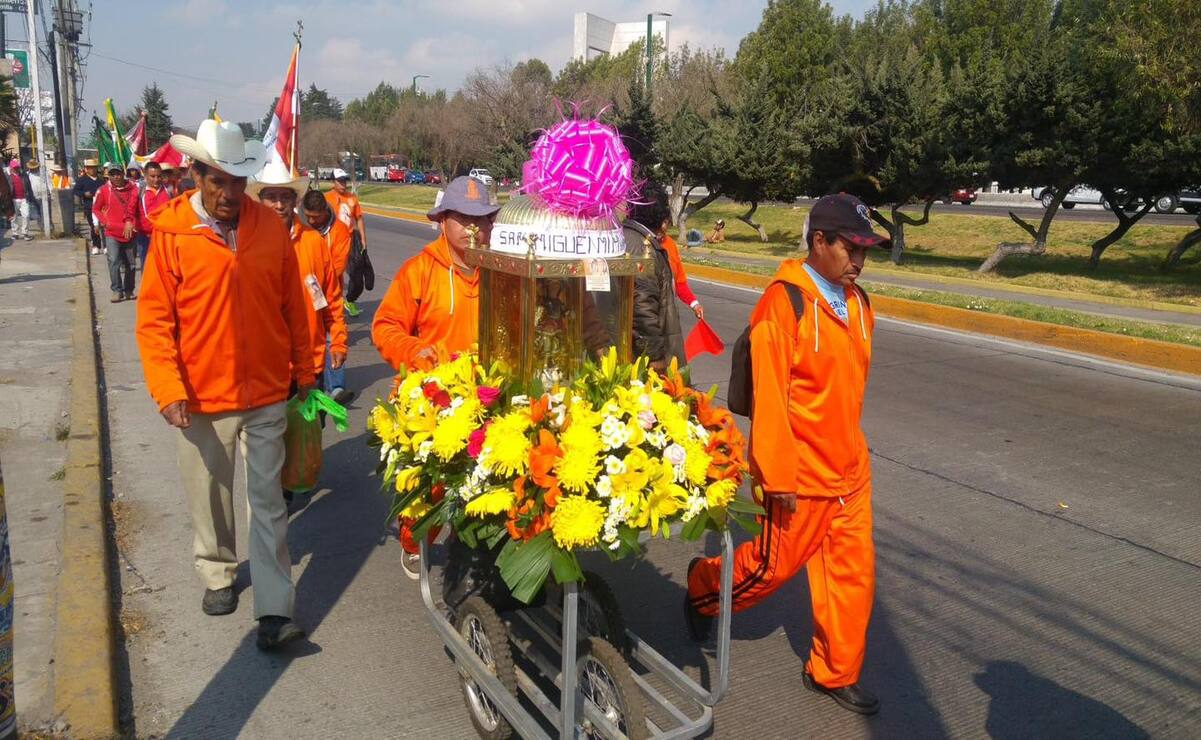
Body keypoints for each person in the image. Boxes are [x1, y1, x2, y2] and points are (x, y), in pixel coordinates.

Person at [685, 194, 888, 716]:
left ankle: (833, 671)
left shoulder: (860, 304)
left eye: (867, 249)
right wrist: (777, 478)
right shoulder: (784, 304)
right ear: (819, 242)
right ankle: (703, 586)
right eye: (851, 246)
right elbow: (771, 399)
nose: (859, 260)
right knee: (768, 573)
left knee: (853, 573)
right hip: (798, 474)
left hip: (849, 471)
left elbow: (850, 391)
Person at [135, 120, 313, 650]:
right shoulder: (171, 235)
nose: (229, 193)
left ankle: (275, 611)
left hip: (265, 391)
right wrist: (167, 388)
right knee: (210, 495)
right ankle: (217, 572)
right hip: (201, 395)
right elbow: (154, 321)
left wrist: (305, 372)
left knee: (269, 502)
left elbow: (294, 310)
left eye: (238, 182)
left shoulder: (270, 228)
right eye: (218, 181)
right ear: (196, 174)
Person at [372, 175, 498, 579]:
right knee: (428, 496)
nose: (475, 227)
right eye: (464, 218)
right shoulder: (419, 271)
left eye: (483, 218)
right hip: (431, 400)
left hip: (484, 397)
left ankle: (476, 557)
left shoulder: (502, 270)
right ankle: (414, 542)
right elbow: (385, 326)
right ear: (443, 220)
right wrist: (414, 351)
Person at [249, 162, 348, 506]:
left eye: (285, 197)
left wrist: (340, 337)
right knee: (271, 437)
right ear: (260, 200)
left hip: (311, 359)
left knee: (309, 428)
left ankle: (288, 482)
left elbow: (332, 296)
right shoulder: (248, 243)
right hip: (266, 367)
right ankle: (279, 495)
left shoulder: (313, 243)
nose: (278, 205)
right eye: (271, 197)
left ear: (295, 201)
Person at [302, 188, 354, 404]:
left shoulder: (340, 231)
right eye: (309, 217)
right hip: (307, 293)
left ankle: (337, 387)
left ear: (325, 211)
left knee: (333, 336)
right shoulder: (302, 230)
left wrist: (319, 268)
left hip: (329, 290)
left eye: (316, 217)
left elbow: (338, 265)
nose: (312, 221)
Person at [626, 183, 685, 370]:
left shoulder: (627, 237)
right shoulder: (642, 248)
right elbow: (642, 307)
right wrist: (654, 357)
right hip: (645, 359)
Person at [92, 163, 140, 302]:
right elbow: (96, 208)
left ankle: (129, 290)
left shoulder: (133, 189)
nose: (116, 176)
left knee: (131, 264)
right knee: (114, 261)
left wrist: (134, 224)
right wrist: (104, 222)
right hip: (112, 233)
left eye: (118, 173)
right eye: (112, 174)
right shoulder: (103, 190)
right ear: (109, 176)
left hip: (130, 232)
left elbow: (137, 208)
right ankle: (116, 290)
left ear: (123, 173)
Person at [324, 168, 366, 315]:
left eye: (345, 180)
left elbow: (359, 218)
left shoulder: (352, 198)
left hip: (351, 241)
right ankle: (333, 306)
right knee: (335, 276)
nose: (343, 183)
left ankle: (349, 300)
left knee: (357, 276)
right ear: (333, 182)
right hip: (332, 242)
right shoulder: (326, 198)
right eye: (340, 181)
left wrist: (362, 238)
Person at [136, 162, 171, 270]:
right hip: (145, 237)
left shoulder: (168, 191)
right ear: (145, 176)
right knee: (147, 265)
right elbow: (131, 210)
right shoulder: (139, 191)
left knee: (164, 266)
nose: (156, 179)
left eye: (159, 176)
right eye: (152, 176)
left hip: (164, 236)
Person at [73, 159, 104, 254]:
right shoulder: (82, 180)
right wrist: (84, 194)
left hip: (101, 207)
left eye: (94, 168)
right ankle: (96, 245)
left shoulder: (100, 180)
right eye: (90, 168)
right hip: (89, 206)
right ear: (86, 169)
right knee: (93, 226)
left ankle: (106, 245)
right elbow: (76, 191)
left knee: (103, 226)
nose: (92, 170)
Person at [7, 160, 29, 241]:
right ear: (11, 168)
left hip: (24, 198)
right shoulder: (8, 177)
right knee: (14, 217)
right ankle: (15, 233)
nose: (17, 169)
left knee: (26, 215)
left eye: (17, 167)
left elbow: (29, 187)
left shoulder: (24, 176)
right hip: (14, 199)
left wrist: (30, 197)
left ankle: (25, 233)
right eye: (15, 167)